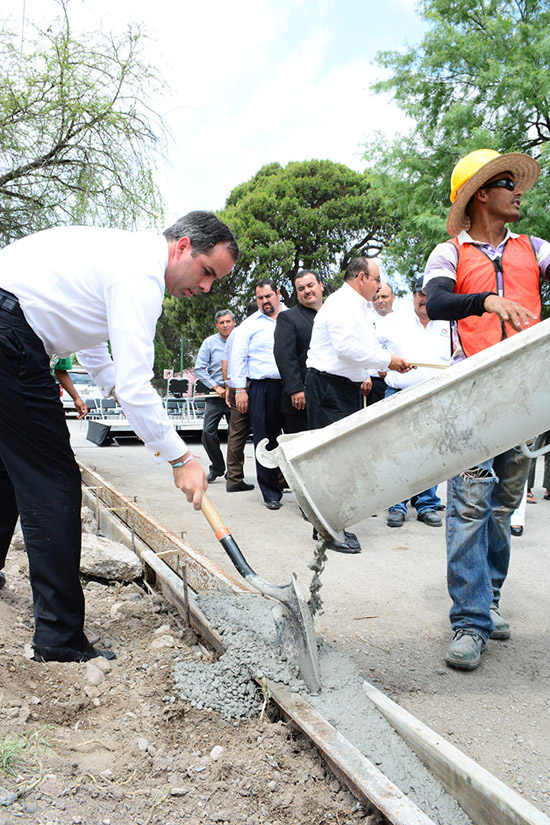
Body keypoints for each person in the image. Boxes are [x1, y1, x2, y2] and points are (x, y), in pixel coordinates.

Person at [0, 211, 239, 663]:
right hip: (10, 334)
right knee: (53, 484)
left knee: (8, 470)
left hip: (8, 324)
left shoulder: (123, 257)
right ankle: (58, 639)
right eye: (207, 272)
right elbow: (135, 385)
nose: (206, 288)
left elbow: (90, 336)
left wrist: (109, 383)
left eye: (215, 282)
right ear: (183, 246)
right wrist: (179, 458)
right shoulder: (140, 275)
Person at [424, 148, 550, 670]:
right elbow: (434, 303)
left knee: (501, 508)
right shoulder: (449, 252)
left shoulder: (537, 248)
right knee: (471, 505)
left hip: (526, 395)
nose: (518, 191)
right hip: (473, 395)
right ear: (480, 193)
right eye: (506, 183)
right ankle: (470, 622)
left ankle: (488, 600)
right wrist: (485, 301)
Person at [305, 257, 412, 429]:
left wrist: (392, 363)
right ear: (361, 278)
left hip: (347, 388)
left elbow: (369, 346)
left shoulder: (362, 307)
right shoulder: (341, 303)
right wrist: (387, 361)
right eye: (377, 279)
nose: (379, 286)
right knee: (334, 450)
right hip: (329, 388)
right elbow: (345, 348)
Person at [378, 278, 451, 528]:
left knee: (431, 453)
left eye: (430, 295)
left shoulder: (448, 323)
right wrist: (380, 366)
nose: (425, 299)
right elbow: (371, 349)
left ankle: (427, 504)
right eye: (421, 294)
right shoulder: (393, 321)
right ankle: (397, 504)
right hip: (399, 395)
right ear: (413, 295)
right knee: (397, 452)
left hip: (435, 397)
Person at [229, 279, 285, 510]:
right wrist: (240, 390)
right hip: (261, 388)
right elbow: (237, 359)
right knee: (265, 440)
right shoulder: (249, 326)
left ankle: (301, 490)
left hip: (291, 387)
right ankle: (271, 493)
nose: (265, 302)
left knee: (296, 438)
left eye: (268, 296)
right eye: (260, 298)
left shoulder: (291, 318)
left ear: (278, 294)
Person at [194, 310, 235, 483]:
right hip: (215, 395)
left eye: (228, 321)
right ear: (216, 325)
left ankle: (233, 472)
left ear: (234, 322)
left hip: (236, 395)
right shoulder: (209, 343)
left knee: (235, 435)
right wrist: (216, 387)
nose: (225, 325)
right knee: (207, 432)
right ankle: (217, 467)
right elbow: (199, 369)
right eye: (221, 322)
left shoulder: (241, 340)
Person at [222, 301, 257, 493]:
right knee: (267, 430)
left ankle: (234, 478)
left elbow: (226, 362)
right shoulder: (258, 327)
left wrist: (229, 386)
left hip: (236, 386)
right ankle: (277, 477)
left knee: (236, 434)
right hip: (254, 383)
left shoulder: (235, 333)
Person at [368, 280, 396, 405]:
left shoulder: (406, 321)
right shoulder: (365, 323)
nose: (380, 301)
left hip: (399, 382)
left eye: (384, 296)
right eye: (375, 298)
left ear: (393, 297)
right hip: (374, 384)